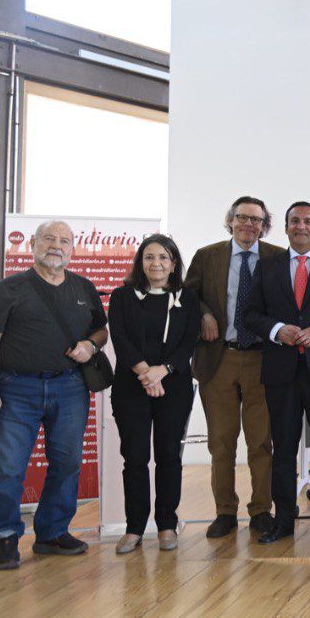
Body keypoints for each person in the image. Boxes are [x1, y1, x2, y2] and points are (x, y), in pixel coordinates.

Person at [0, 220, 108, 570]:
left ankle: (51, 533)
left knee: (67, 462)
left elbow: (101, 330)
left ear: (72, 250)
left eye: (64, 241)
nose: (56, 245)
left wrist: (89, 346)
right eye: (49, 238)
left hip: (70, 387)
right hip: (16, 388)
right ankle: (4, 537)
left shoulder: (84, 287)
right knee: (7, 466)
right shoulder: (11, 288)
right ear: (32, 244)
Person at [241, 201, 310, 544]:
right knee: (284, 449)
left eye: (308, 221)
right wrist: (277, 329)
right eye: (294, 221)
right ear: (285, 227)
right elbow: (250, 314)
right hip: (281, 371)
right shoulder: (267, 266)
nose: (301, 226)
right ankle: (284, 522)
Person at [184, 196, 285, 539]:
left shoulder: (277, 257)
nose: (248, 224)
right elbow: (187, 296)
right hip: (220, 358)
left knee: (260, 442)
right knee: (221, 442)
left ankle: (261, 510)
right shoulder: (207, 256)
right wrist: (203, 313)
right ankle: (225, 511)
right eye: (242, 217)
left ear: (264, 225)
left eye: (256, 220)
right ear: (230, 221)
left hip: (262, 359)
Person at [107, 234, 200, 554]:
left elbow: (189, 340)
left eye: (163, 257)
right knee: (134, 457)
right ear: (140, 262)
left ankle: (166, 525)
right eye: (149, 257)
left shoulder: (187, 298)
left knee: (168, 456)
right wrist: (146, 373)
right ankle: (134, 528)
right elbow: (120, 339)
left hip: (173, 385)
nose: (156, 263)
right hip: (130, 386)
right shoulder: (121, 296)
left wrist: (164, 371)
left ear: (174, 264)